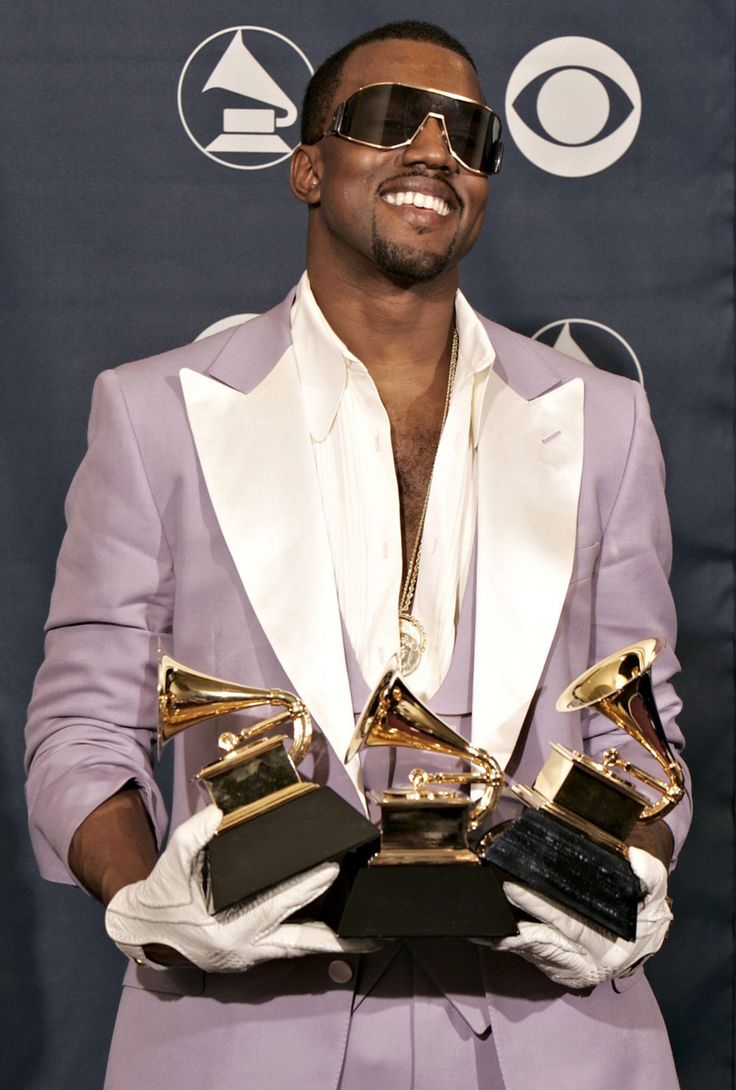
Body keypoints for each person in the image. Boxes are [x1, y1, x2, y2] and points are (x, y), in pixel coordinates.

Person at [25, 20, 690, 1090]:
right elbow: (79, 727)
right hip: (234, 1036)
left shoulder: (602, 423)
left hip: (556, 1040)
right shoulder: (154, 414)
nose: (432, 151)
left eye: (468, 135)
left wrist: (638, 877)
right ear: (307, 165)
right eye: (388, 119)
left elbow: (643, 729)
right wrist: (143, 897)